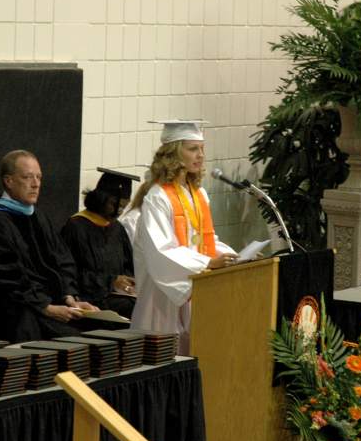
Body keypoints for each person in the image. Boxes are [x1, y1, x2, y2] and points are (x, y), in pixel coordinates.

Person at [0, 150, 99, 342]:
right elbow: (6, 276)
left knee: (99, 330)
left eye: (39, 177)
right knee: (73, 342)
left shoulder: (38, 217)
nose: (36, 183)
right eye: (27, 177)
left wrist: (70, 297)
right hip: (12, 309)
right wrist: (45, 307)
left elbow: (62, 260)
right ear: (9, 181)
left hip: (44, 304)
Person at [130, 121, 238, 354]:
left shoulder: (198, 193)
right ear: (173, 153)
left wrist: (232, 257)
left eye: (202, 149)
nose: (200, 155)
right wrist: (208, 263)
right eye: (192, 149)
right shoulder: (157, 197)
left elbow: (202, 241)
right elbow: (162, 251)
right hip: (162, 298)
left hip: (194, 289)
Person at [61, 167, 138, 318]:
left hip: (117, 297)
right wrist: (111, 282)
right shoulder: (76, 227)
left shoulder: (117, 228)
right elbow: (69, 274)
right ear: (100, 198)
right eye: (114, 204)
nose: (118, 211)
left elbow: (128, 268)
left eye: (123, 206)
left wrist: (130, 284)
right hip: (89, 300)